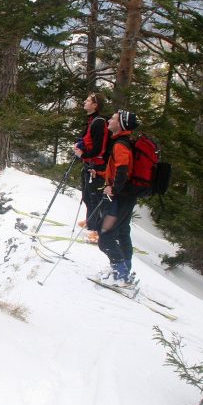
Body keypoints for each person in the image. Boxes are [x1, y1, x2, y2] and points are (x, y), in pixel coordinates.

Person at [91, 109, 139, 286]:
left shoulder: (120, 145)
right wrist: (101, 173)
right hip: (127, 196)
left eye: (112, 118)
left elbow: (123, 170)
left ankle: (120, 275)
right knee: (123, 232)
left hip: (120, 198)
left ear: (120, 124)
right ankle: (124, 270)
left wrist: (113, 189)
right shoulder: (124, 142)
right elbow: (118, 170)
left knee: (105, 237)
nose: (109, 120)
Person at [73, 93, 109, 243]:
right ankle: (91, 222)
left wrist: (83, 154)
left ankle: (96, 230)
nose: (84, 102)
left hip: (96, 165)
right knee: (87, 195)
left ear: (95, 105)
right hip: (90, 163)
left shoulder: (98, 122)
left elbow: (99, 149)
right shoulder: (92, 120)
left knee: (94, 196)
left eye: (88, 100)